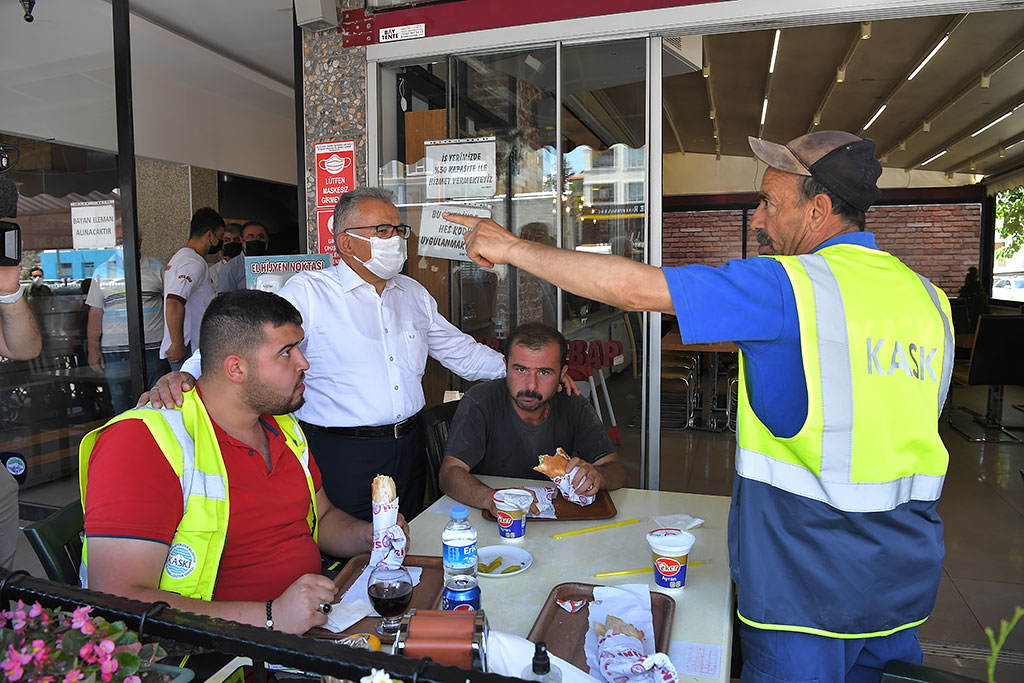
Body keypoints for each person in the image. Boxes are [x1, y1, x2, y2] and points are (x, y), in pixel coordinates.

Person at [447, 131, 953, 682]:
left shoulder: (794, 286)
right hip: (901, 583)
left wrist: (512, 248)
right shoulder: (928, 300)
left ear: (820, 209)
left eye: (769, 203)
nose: (757, 219)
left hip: (805, 595)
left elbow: (640, 291)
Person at [143, 188, 514, 523]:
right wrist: (188, 374)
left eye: (399, 230)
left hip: (409, 447)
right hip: (342, 454)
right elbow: (249, 338)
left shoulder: (412, 293)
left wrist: (520, 373)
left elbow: (459, 351)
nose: (396, 241)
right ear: (346, 244)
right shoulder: (309, 293)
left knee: (407, 543)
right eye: (382, 231)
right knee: (348, 556)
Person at [80, 290, 397, 634]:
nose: (303, 363)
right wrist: (272, 617)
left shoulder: (282, 426)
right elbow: (117, 599)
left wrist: (370, 536)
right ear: (236, 368)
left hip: (316, 622)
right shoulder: (143, 442)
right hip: (212, 654)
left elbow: (322, 518)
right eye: (286, 352)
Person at [439, 322, 626, 514]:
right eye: (520, 370)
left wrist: (598, 476)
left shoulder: (573, 405)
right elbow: (449, 474)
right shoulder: (480, 402)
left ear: (562, 374)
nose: (531, 385)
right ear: (506, 366)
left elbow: (616, 470)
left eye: (544, 372)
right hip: (491, 520)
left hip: (558, 520)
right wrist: (493, 499)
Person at [86, 240, 170, 413]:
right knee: (121, 404)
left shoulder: (159, 268)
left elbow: (173, 307)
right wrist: (92, 349)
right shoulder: (102, 271)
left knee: (157, 403)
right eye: (118, 242)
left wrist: (174, 341)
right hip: (115, 352)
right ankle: (124, 440)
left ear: (139, 242)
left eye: (126, 240)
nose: (122, 245)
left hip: (153, 348)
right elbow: (95, 313)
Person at [160, 207, 225, 369]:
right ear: (210, 235)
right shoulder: (193, 262)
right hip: (188, 346)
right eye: (221, 237)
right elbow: (174, 302)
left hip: (186, 344)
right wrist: (178, 343)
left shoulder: (180, 257)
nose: (221, 243)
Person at [217, 220, 270, 293]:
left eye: (260, 237)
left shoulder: (276, 265)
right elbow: (225, 301)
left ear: (267, 239)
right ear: (242, 240)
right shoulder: (230, 269)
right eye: (250, 237)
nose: (255, 240)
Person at [209, 222, 243, 290]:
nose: (232, 242)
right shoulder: (213, 271)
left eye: (237, 240)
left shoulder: (249, 267)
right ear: (222, 244)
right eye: (227, 240)